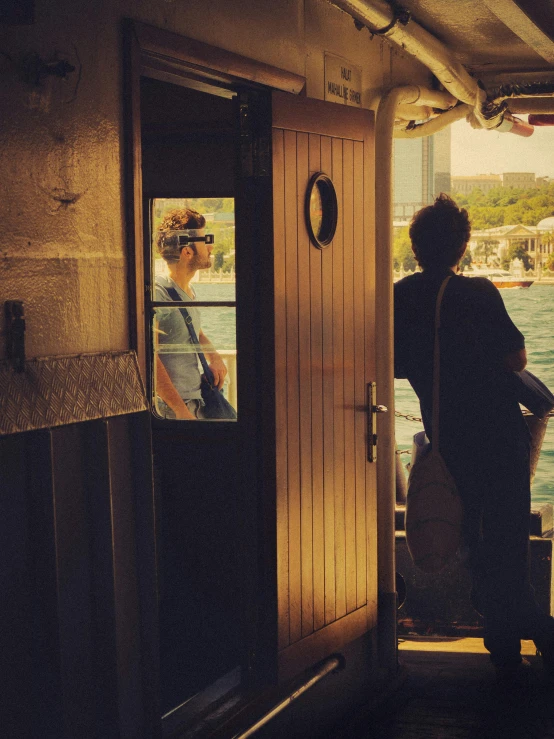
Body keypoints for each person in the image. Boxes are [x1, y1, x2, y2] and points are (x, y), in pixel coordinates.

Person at [394, 193, 554, 682]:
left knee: (471, 543)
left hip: (447, 440)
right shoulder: (479, 293)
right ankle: (530, 641)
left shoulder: (401, 296)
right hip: (498, 438)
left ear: (417, 247)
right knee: (505, 542)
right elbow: (517, 360)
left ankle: (503, 647)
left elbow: (396, 363)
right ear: (462, 247)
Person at [154, 207, 228, 420]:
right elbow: (150, 357)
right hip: (174, 410)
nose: (211, 247)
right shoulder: (160, 293)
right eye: (205, 241)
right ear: (187, 252)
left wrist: (214, 357)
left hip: (196, 403)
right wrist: (180, 411)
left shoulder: (187, 291)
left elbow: (197, 332)